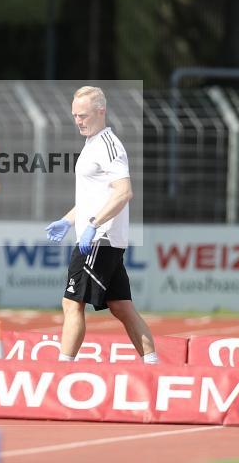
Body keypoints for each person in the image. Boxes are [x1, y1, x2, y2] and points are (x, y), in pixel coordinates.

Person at [46, 86, 158, 364]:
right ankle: (153, 364)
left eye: (83, 115)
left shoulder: (109, 146)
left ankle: (63, 367)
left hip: (101, 239)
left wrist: (94, 225)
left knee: (72, 303)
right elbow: (93, 197)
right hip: (101, 237)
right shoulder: (91, 145)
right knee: (122, 306)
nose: (78, 121)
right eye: (74, 115)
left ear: (101, 111)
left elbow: (123, 192)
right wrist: (67, 220)